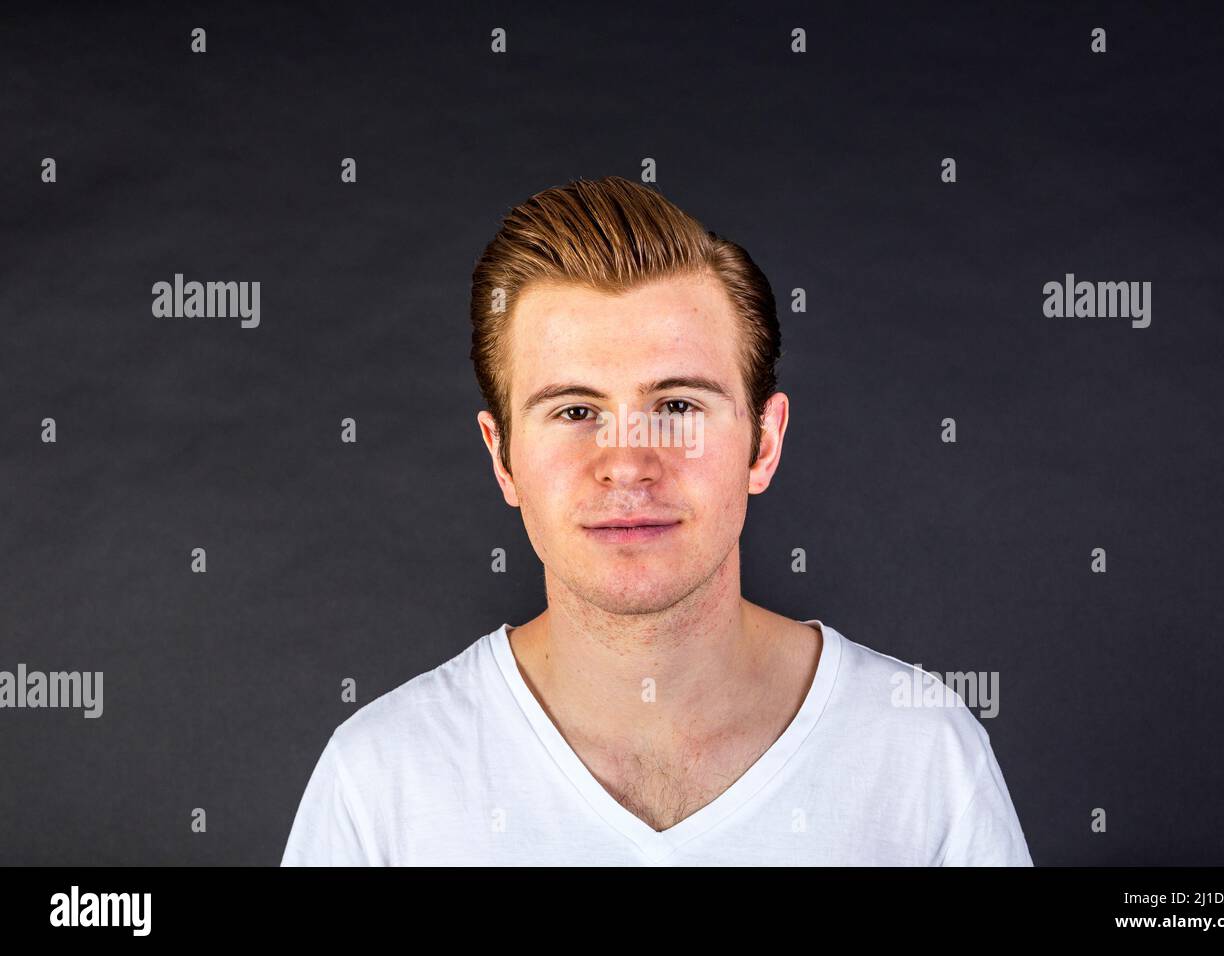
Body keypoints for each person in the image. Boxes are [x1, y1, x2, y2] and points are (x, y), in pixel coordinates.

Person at [281, 176, 1032, 865]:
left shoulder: (921, 753)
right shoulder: (379, 781)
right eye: (575, 411)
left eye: (677, 407)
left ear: (763, 445)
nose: (629, 464)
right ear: (502, 457)